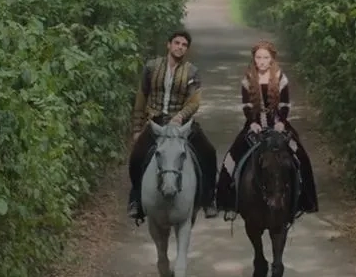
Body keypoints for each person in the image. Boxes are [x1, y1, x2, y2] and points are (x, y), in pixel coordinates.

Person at [216, 40, 319, 219]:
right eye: (258, 57)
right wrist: (252, 123)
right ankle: (228, 202)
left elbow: (285, 104)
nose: (262, 61)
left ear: (272, 59)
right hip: (254, 125)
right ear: (254, 59)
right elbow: (247, 105)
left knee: (301, 156)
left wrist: (281, 122)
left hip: (278, 124)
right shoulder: (247, 78)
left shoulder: (281, 77)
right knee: (231, 158)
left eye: (265, 57)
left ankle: (306, 200)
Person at [126, 29, 218, 224]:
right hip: (155, 122)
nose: (180, 47)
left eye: (184, 45)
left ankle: (209, 199)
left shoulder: (192, 71)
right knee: (136, 157)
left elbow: (194, 101)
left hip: (181, 124)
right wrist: (137, 128)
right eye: (177, 43)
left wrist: (180, 116)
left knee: (209, 152)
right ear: (169, 45)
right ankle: (136, 200)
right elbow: (141, 98)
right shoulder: (151, 68)